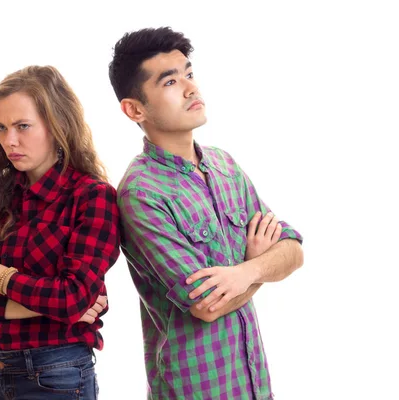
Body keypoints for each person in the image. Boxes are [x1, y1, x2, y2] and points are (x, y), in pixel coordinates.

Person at [108, 27, 304, 399]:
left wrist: (247, 270)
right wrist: (260, 262)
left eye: (189, 74)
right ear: (134, 108)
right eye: (170, 81)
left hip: (253, 386)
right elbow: (206, 305)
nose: (190, 88)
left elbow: (293, 249)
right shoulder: (141, 193)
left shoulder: (224, 165)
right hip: (195, 391)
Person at [0, 65, 120, 400]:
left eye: (23, 126)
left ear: (57, 124)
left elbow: (72, 297)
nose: (9, 140)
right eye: (1, 128)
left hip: (57, 372)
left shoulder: (92, 196)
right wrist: (44, 305)